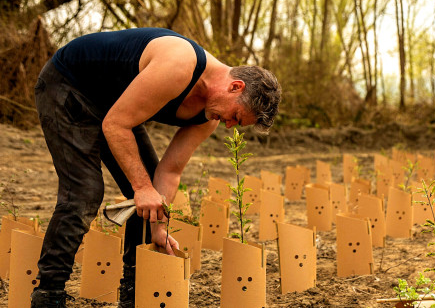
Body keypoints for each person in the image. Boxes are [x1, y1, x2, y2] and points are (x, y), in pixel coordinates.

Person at [31, 27, 281, 307]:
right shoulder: (179, 65)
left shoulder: (208, 117)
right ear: (236, 87)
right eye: (235, 116)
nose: (230, 125)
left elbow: (170, 171)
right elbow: (116, 125)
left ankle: (136, 293)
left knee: (151, 198)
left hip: (113, 105)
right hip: (68, 84)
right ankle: (49, 294)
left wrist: (159, 227)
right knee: (85, 192)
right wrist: (141, 188)